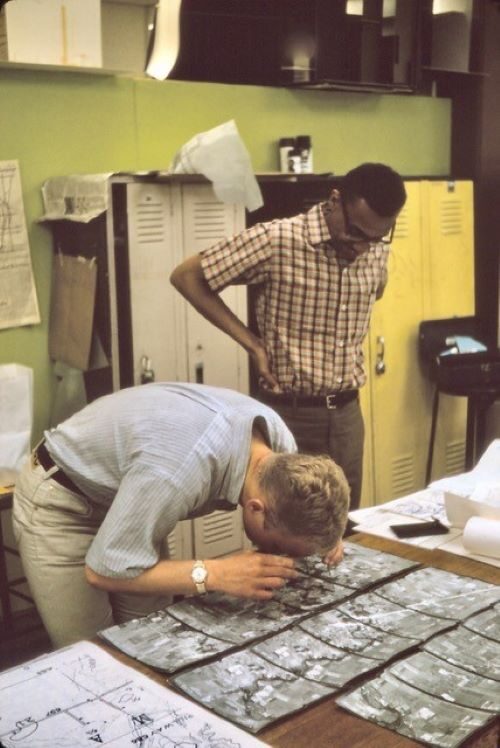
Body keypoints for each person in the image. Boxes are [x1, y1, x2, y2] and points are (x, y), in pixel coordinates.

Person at [12, 382, 350, 648]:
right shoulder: (179, 470)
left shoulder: (278, 444)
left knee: (152, 640)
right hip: (63, 502)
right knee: (96, 660)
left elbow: (313, 496)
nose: (284, 558)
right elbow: (102, 571)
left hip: (133, 497)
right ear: (256, 509)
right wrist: (216, 573)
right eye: (283, 548)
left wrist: (326, 537)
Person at [170, 163, 407, 510]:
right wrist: (252, 343)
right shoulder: (279, 239)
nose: (362, 248)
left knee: (344, 533)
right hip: (289, 415)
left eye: (376, 238)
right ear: (335, 200)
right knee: (286, 531)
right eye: (356, 233)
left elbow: (374, 293)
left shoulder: (374, 251)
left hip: (347, 416)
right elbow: (187, 276)